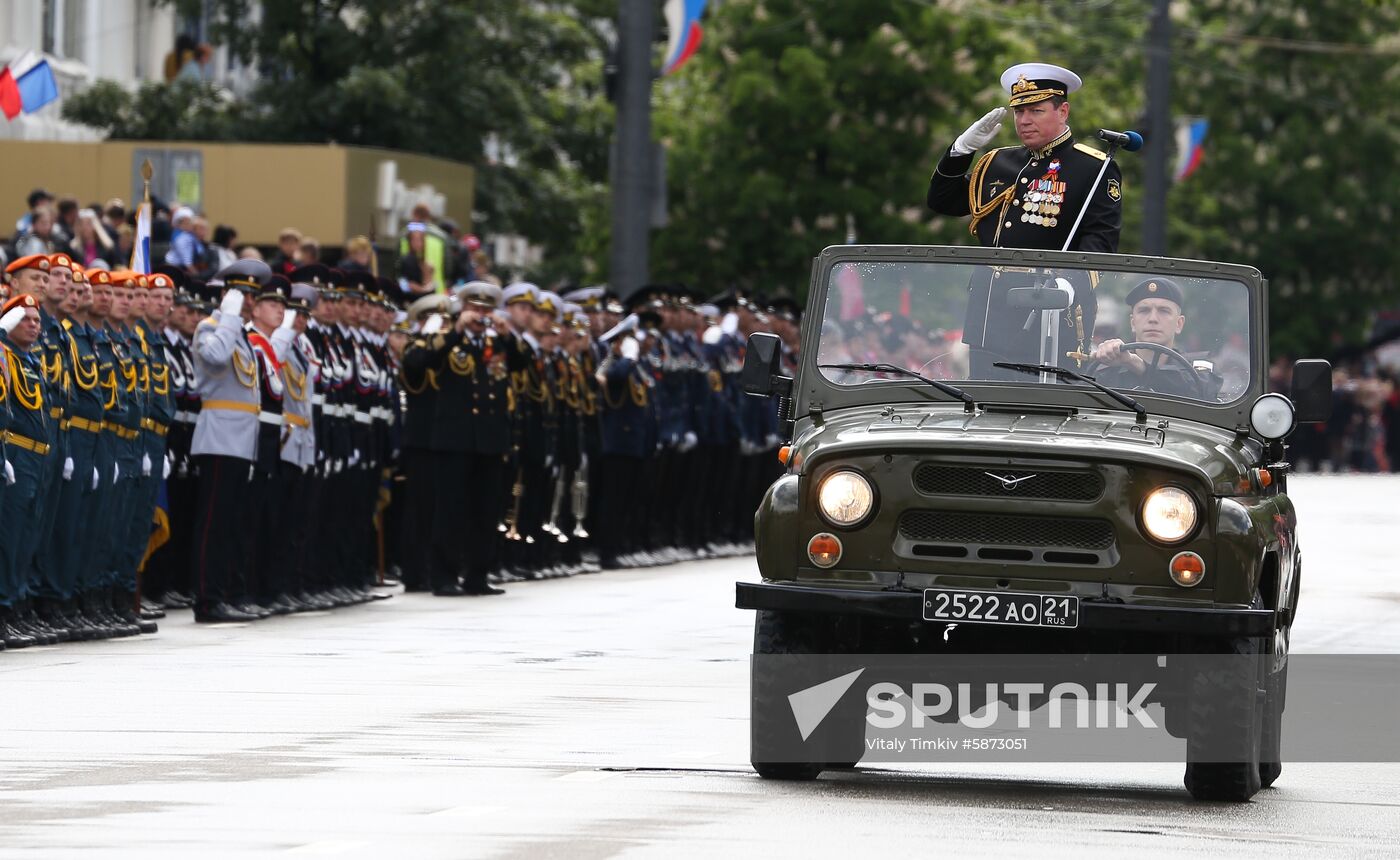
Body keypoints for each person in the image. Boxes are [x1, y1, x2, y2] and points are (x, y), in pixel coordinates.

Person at [927, 63, 1120, 376]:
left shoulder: (1091, 167)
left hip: (1051, 310)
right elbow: (942, 201)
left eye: (1036, 111)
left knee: (1046, 411)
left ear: (1063, 111)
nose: (1024, 120)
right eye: (1019, 112)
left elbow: (1101, 240)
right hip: (990, 313)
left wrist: (1069, 283)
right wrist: (961, 150)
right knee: (987, 408)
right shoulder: (997, 162)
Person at [1088, 277, 1210, 399]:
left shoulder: (1197, 370)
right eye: (1144, 310)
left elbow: (1201, 393)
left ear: (1179, 324)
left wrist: (1137, 365)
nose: (1153, 319)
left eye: (1164, 311)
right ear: (1133, 323)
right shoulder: (1107, 371)